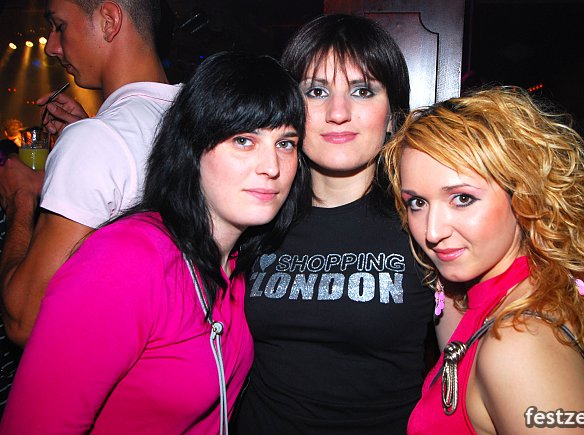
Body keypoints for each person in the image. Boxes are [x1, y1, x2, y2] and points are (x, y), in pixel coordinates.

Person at [0, 50, 307, 434]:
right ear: (192, 148)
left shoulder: (238, 263)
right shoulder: (126, 261)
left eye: (285, 143)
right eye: (244, 140)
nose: (272, 167)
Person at [383, 87, 584, 434]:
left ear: (524, 195)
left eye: (462, 198)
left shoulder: (519, 348)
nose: (432, 231)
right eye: (417, 203)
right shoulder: (486, 296)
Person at [231, 14, 435, 434]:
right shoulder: (254, 219)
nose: (338, 112)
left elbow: (466, 368)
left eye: (362, 91)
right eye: (316, 91)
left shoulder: (425, 225)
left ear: (392, 115)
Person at [0, 0, 180, 347]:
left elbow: (25, 321)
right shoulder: (199, 115)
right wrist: (91, 136)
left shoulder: (98, 141)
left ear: (109, 20)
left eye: (60, 26)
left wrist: (20, 199)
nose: (51, 47)